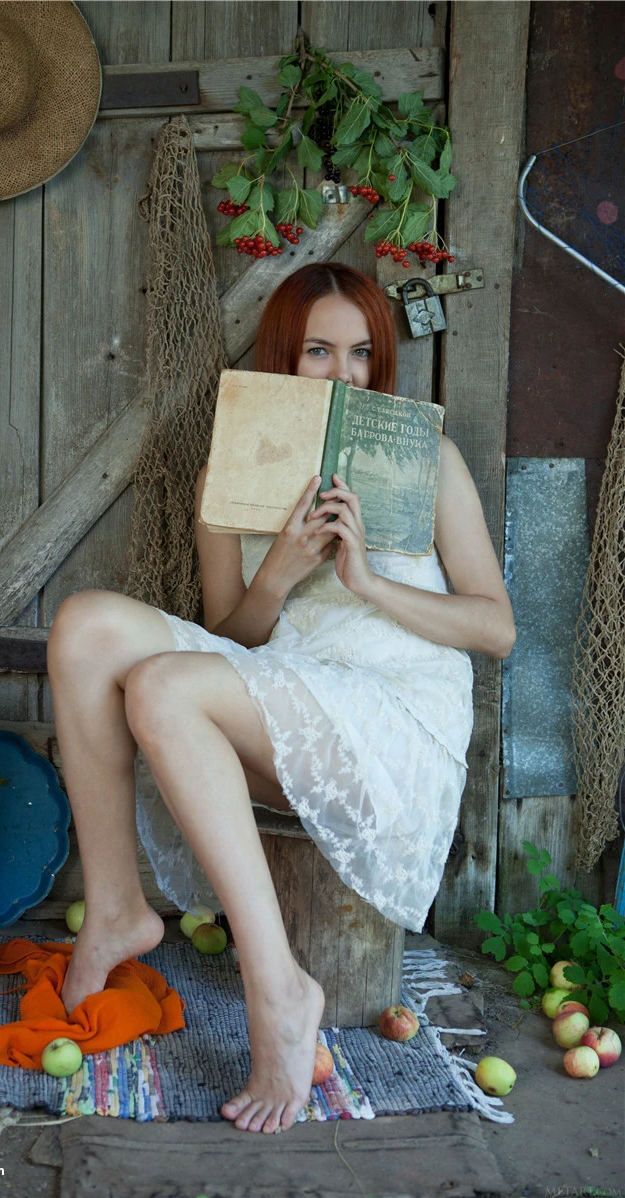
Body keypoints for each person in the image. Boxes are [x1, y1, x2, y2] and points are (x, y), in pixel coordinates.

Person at [46, 262, 516, 1136]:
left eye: (361, 353)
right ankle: (114, 907)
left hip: (393, 715)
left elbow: (495, 629)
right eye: (318, 351)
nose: (344, 374)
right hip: (286, 693)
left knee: (162, 684)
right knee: (83, 627)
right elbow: (235, 634)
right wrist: (279, 573)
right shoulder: (230, 474)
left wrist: (366, 581)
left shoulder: (431, 460)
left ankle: (278, 988)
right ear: (281, 357)